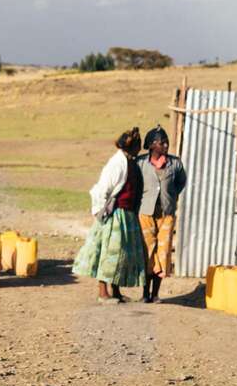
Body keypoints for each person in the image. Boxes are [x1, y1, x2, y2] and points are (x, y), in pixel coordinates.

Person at [73, 128, 146, 304]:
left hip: (128, 216)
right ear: (131, 147)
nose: (140, 149)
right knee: (109, 254)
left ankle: (116, 291)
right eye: (138, 146)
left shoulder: (130, 163)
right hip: (115, 215)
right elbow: (102, 188)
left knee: (121, 256)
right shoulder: (117, 164)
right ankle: (102, 293)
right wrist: (100, 211)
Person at [137, 125, 187, 303]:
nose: (166, 145)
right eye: (161, 142)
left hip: (167, 214)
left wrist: (170, 197)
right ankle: (144, 293)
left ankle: (156, 293)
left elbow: (181, 182)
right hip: (145, 213)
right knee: (147, 251)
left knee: (163, 252)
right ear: (151, 145)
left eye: (166, 142)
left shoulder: (175, 163)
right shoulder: (141, 163)